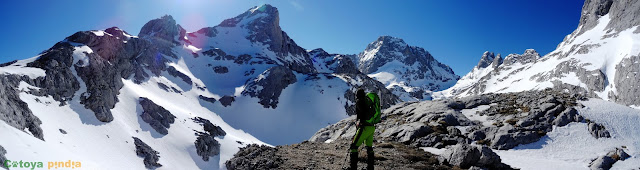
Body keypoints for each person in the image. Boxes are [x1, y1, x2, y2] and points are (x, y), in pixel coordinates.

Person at [349, 89, 375, 170]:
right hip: (371, 127)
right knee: (369, 147)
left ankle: (353, 168)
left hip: (364, 127)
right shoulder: (368, 101)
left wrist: (360, 122)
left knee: (353, 146)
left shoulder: (360, 101)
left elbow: (362, 113)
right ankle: (370, 168)